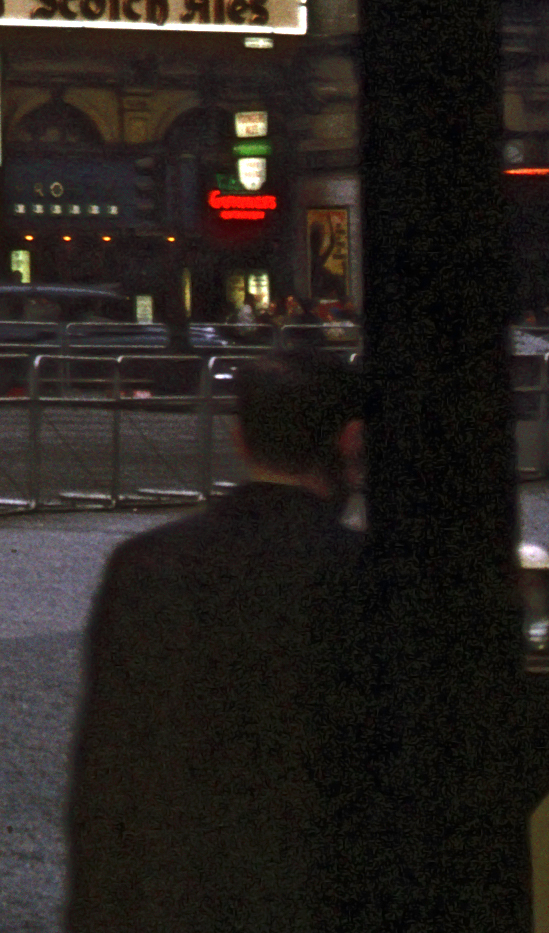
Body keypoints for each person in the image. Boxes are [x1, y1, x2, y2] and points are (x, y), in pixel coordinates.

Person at [63, 349, 370, 933]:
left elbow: (106, 771)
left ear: (241, 440)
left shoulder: (145, 563)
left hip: (178, 895)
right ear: (350, 441)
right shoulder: (364, 573)